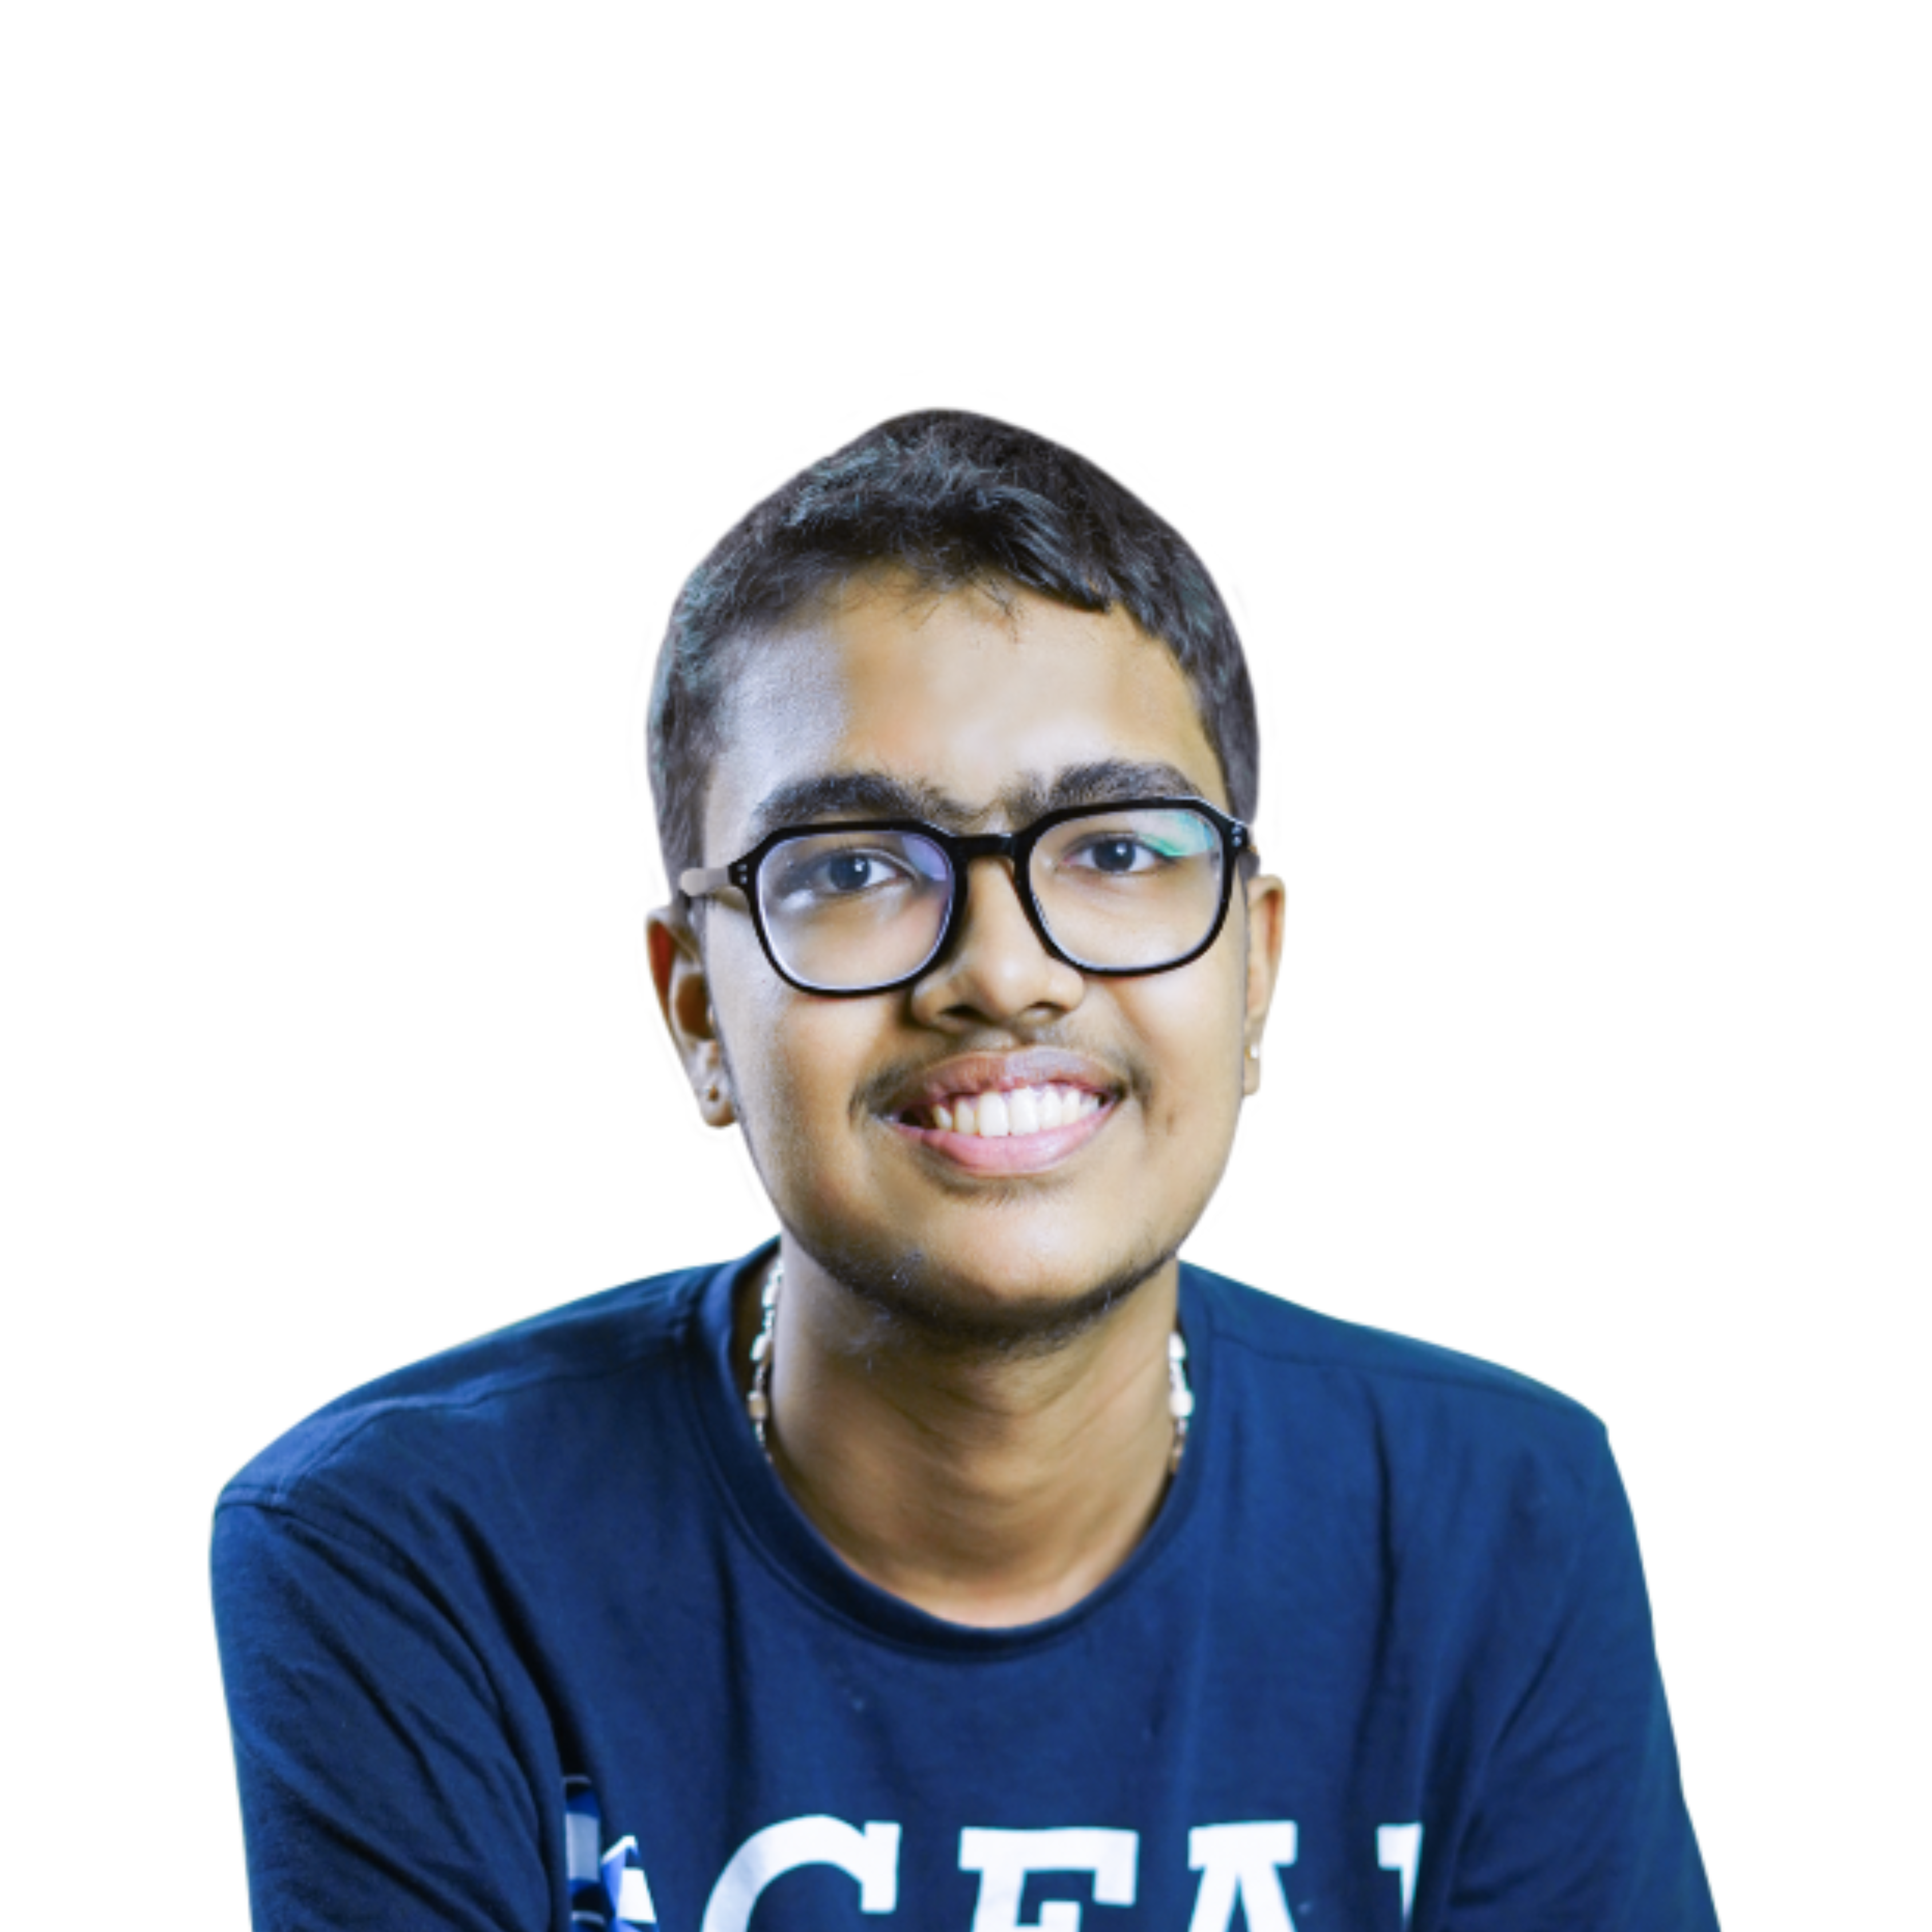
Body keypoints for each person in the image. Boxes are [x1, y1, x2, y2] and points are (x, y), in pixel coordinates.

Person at [212, 410, 1718, 1930]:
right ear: (699, 1011)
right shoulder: (411, 1546)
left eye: (1115, 851)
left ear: (1253, 971)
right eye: (854, 868)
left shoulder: (1493, 1522)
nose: (1001, 972)